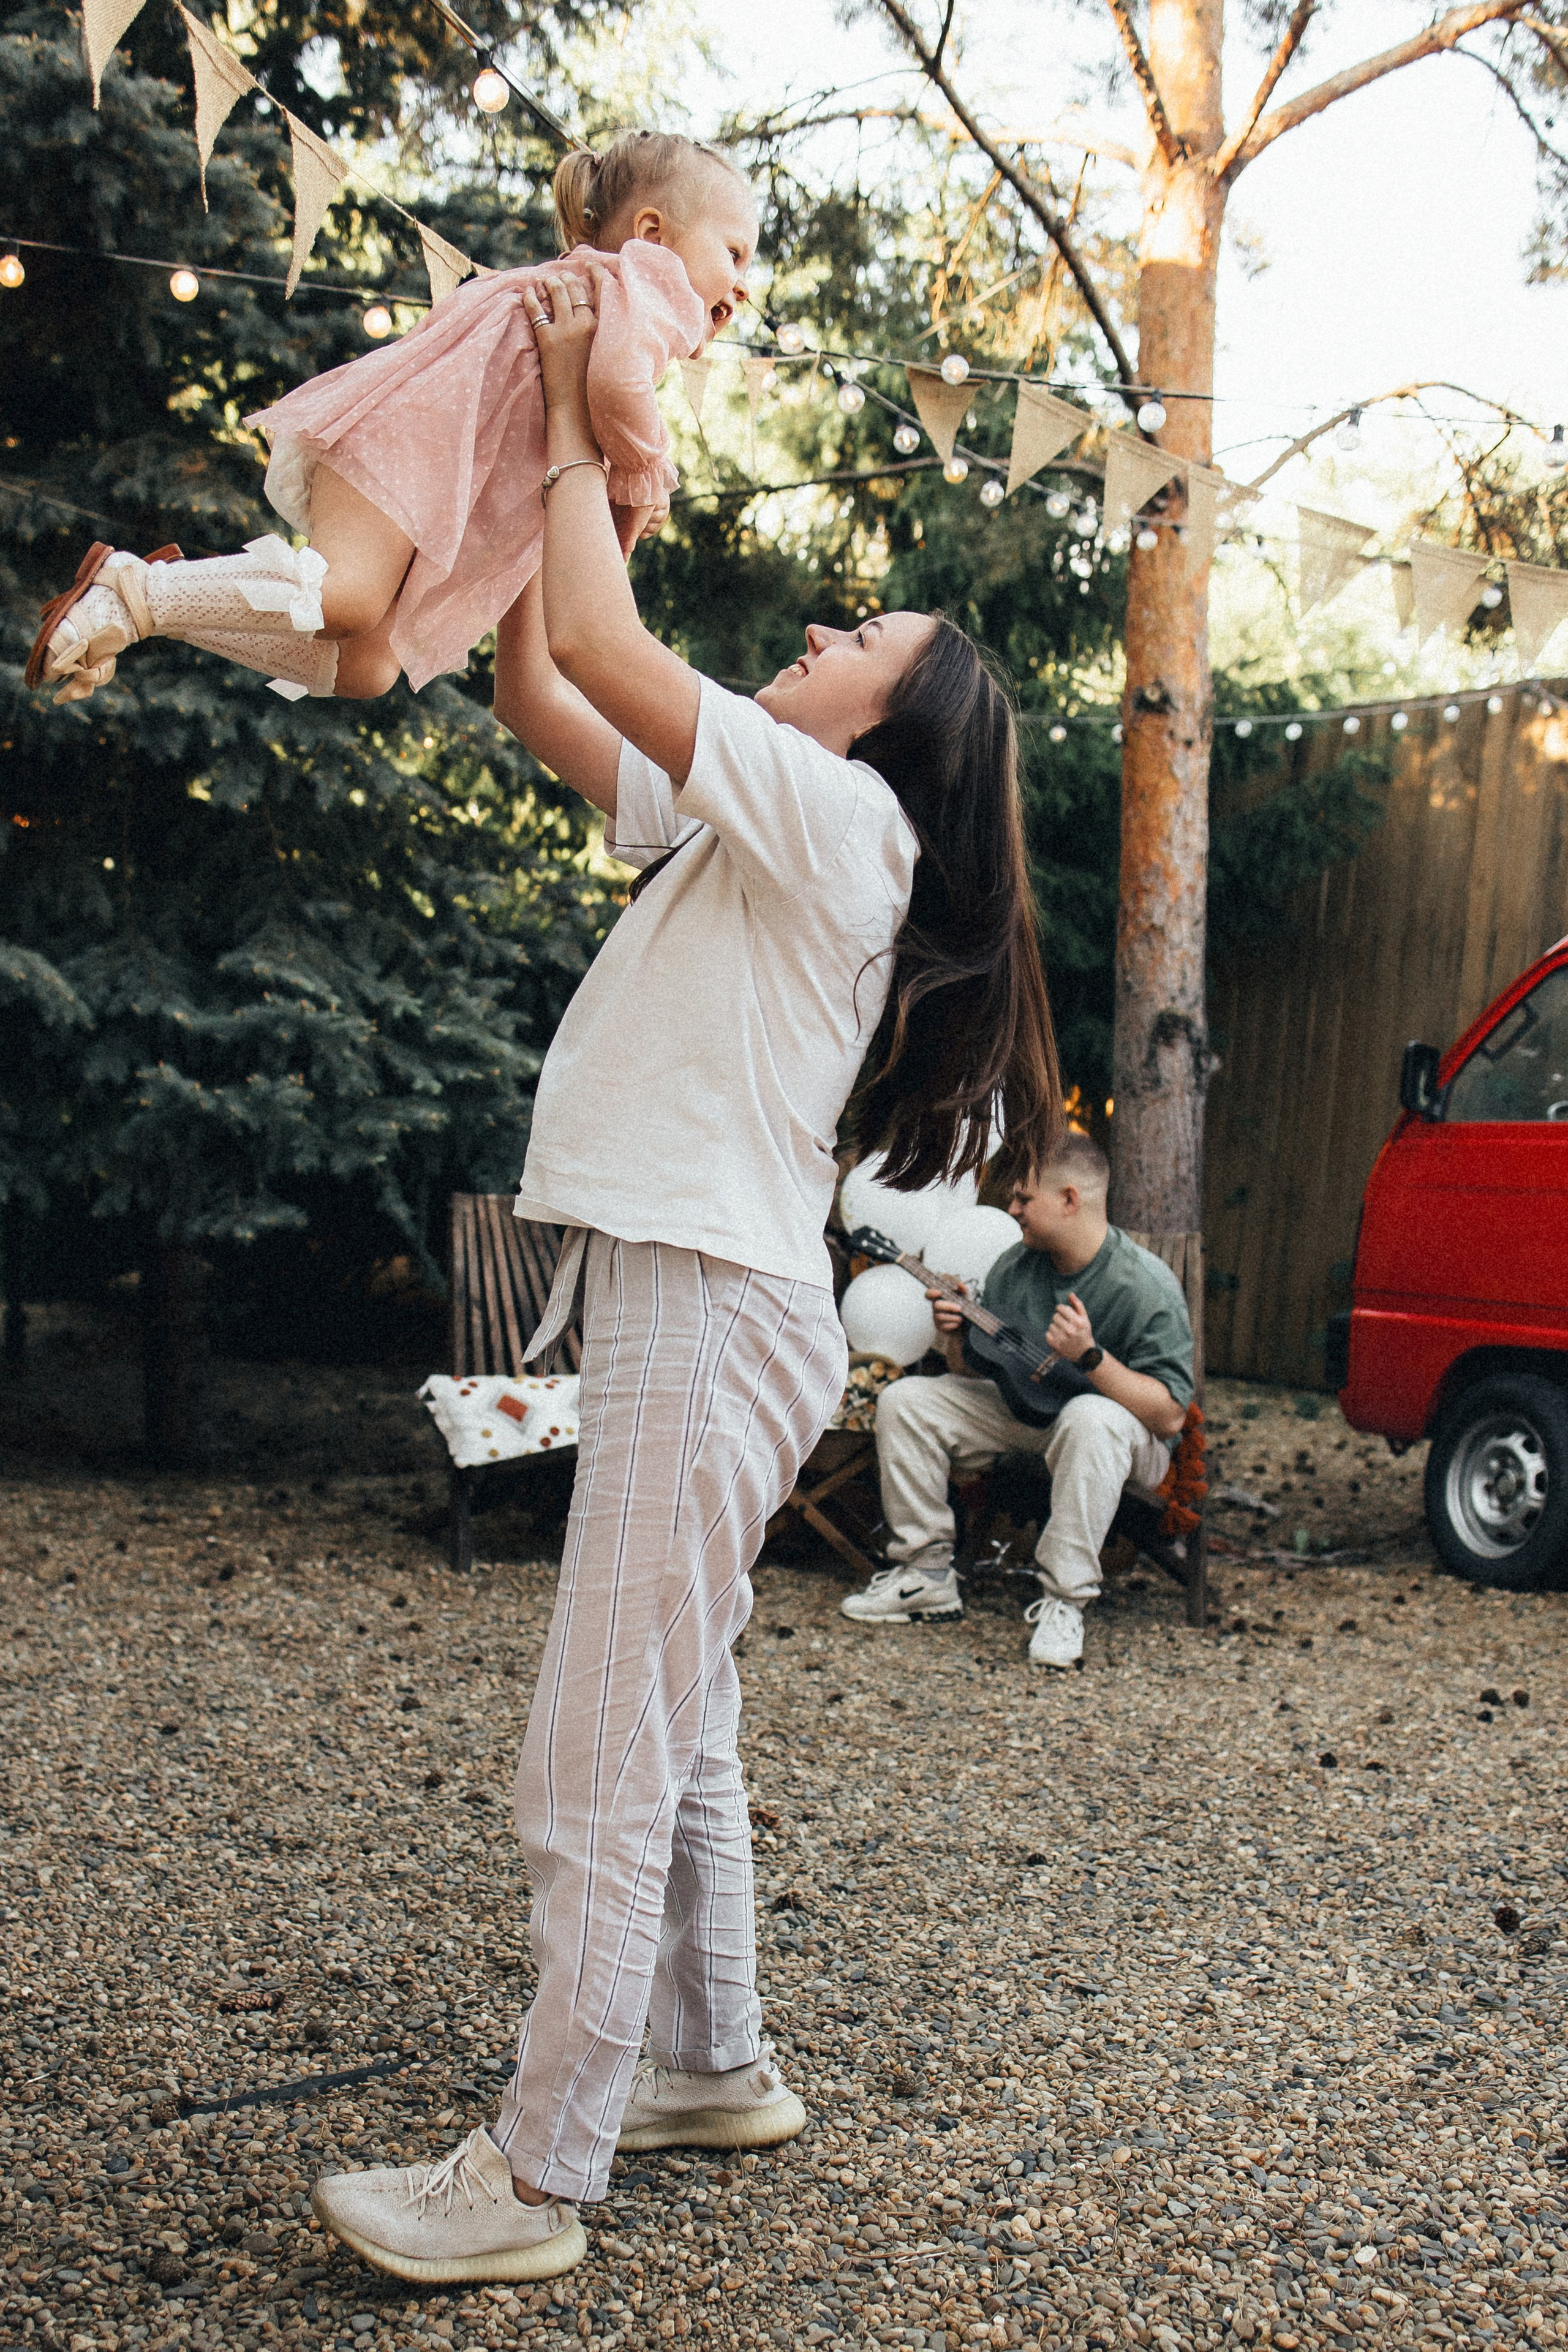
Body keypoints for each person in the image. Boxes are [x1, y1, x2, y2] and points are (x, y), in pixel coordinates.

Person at [308, 255, 1063, 2286]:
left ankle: (536, 2177)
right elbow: (552, 682)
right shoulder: (762, 825)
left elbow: (620, 653)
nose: (824, 629)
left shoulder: (842, 827)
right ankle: (710, 2061)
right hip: (712, 1304)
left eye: (863, 632)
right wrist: (594, 500)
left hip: (707, 1305)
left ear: (898, 723)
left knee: (604, 1745)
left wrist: (571, 421)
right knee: (684, 1715)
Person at [26, 131, 753, 706]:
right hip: (415, 443)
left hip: (436, 466)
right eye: (735, 253)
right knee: (345, 598)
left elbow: (582, 501)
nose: (743, 286)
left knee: (367, 665)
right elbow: (622, 388)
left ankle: (158, 604)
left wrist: (628, 497)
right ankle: (135, 594)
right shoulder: (642, 282)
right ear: (652, 234)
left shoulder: (599, 293)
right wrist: (652, 469)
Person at [840, 1133, 1193, 1667]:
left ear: (1070, 1200)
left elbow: (1169, 1414)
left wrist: (1091, 1356)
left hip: (1124, 1439)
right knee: (908, 1401)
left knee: (1090, 1416)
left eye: (1025, 1199)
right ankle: (927, 1574)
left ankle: (1064, 1601)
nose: (1012, 1209)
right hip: (1030, 1413)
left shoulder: (1143, 1284)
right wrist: (957, 1336)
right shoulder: (1015, 1266)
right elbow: (983, 1371)